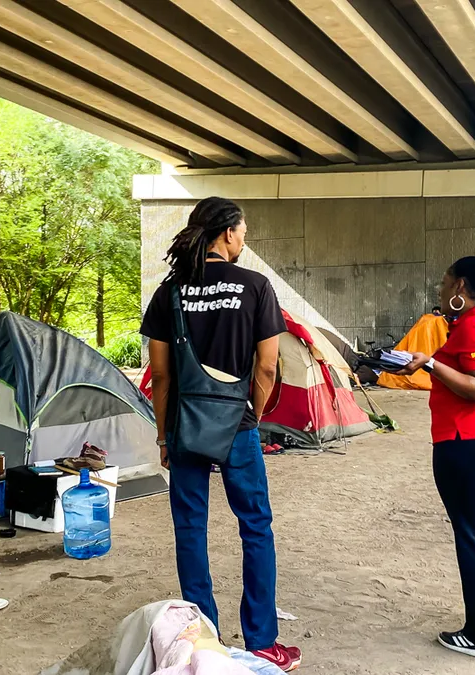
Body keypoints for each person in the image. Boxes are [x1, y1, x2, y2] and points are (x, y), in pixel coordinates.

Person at [141, 197, 301, 671]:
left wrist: (165, 436)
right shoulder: (255, 287)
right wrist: (253, 410)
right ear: (228, 233)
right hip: (238, 425)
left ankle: (200, 640)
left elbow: (162, 375)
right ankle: (261, 641)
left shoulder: (170, 292)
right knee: (255, 525)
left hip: (186, 424)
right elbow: (268, 366)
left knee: (190, 526)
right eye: (244, 230)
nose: (245, 237)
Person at [399, 239, 475, 661]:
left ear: (462, 285)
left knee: (471, 535)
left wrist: (431, 363)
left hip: (468, 441)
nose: (439, 290)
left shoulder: (474, 326)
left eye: (444, 283)